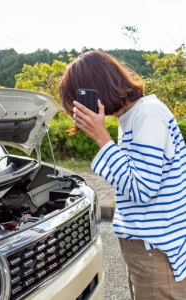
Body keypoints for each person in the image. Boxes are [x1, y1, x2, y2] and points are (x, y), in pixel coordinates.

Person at [58, 51, 186, 299]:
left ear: (96, 88)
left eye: (80, 99)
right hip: (145, 248)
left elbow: (142, 190)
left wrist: (101, 138)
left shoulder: (147, 114)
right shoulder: (131, 117)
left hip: (155, 251)